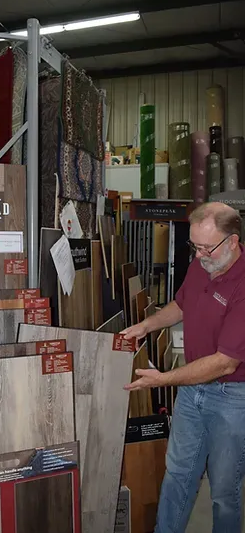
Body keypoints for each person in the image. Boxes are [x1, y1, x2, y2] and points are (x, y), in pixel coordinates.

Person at [121, 201, 245, 533]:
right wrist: (147, 325)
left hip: (233, 398)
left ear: (232, 241)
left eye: (207, 248)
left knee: (223, 490)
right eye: (195, 246)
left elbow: (224, 363)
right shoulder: (200, 265)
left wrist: (163, 379)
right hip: (193, 394)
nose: (200, 255)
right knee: (178, 475)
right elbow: (181, 305)